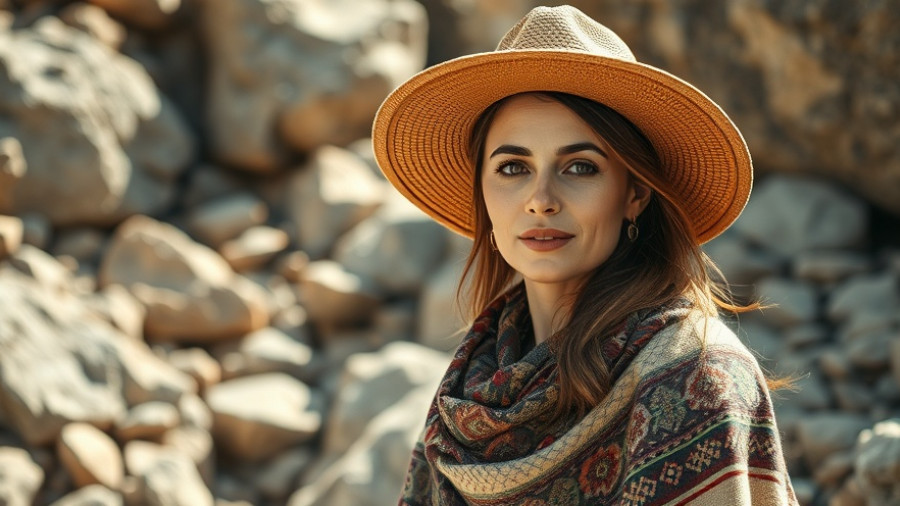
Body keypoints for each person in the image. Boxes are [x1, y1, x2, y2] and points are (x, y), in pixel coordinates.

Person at [372, 5, 797, 505]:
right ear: (482, 196)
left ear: (634, 193)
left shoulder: (694, 373)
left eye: (579, 167)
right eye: (512, 168)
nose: (541, 199)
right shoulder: (471, 387)